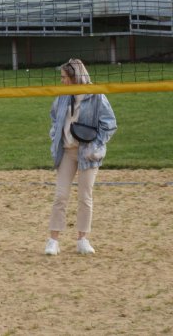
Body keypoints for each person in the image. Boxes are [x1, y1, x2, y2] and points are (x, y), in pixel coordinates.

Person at [45, 58, 117, 256]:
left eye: (64, 78)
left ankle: (82, 239)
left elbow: (110, 124)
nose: (62, 82)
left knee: (85, 196)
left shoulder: (96, 95)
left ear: (75, 77)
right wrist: (55, 135)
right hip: (66, 151)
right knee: (60, 196)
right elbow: (54, 116)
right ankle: (53, 240)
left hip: (88, 153)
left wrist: (95, 145)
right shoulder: (62, 96)